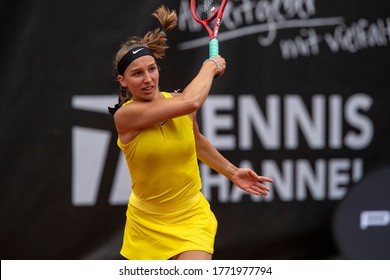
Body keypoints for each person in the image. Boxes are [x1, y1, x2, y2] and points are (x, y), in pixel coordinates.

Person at [109, 5, 273, 260]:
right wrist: (209, 66)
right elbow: (192, 101)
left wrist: (232, 172)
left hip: (191, 216)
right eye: (137, 73)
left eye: (152, 69)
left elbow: (195, 140)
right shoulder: (126, 116)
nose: (148, 79)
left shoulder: (177, 103)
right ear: (123, 81)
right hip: (146, 224)